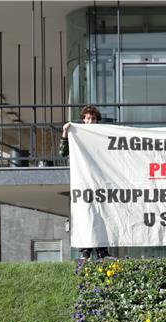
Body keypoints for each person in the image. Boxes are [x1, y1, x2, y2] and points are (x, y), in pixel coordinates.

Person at [61, 105, 109, 260]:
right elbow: (63, 152)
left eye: (93, 118)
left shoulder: (102, 135)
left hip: (100, 180)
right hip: (83, 180)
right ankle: (86, 251)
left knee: (103, 213)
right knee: (85, 213)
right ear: (83, 119)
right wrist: (65, 133)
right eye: (88, 118)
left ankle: (102, 250)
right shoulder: (77, 134)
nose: (90, 121)